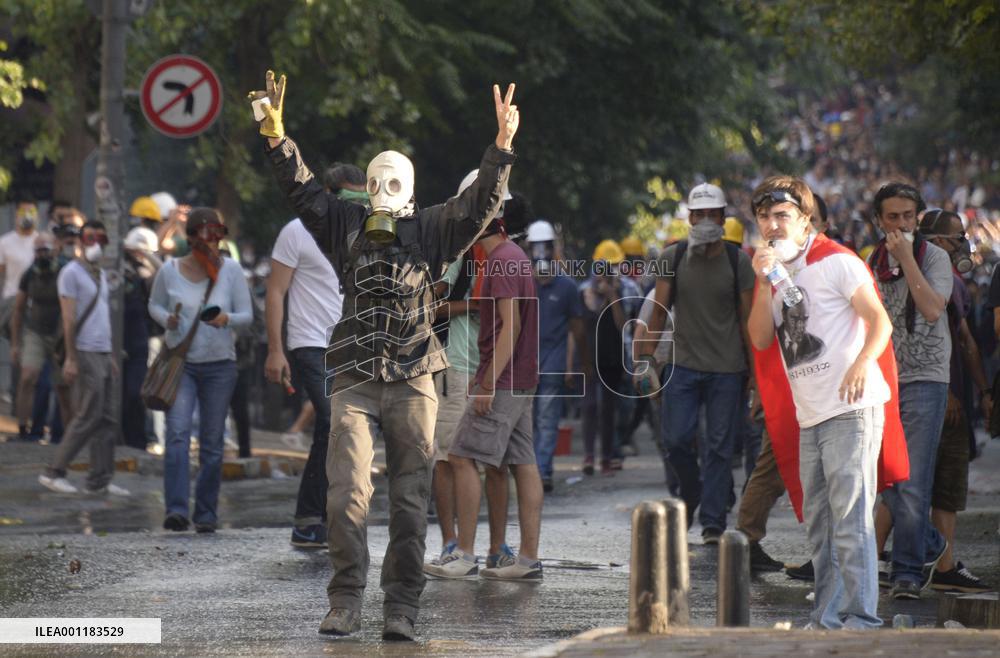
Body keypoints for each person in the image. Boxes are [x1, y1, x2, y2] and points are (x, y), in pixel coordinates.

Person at [252, 69, 518, 640]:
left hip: (415, 374)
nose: (384, 194)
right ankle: (344, 600)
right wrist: (276, 139)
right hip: (353, 372)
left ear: (412, 191)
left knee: (408, 498)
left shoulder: (432, 228)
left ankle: (401, 609)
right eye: (377, 182)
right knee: (347, 490)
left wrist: (501, 149)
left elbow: (478, 205)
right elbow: (300, 190)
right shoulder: (343, 220)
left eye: (394, 184)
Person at [748, 176, 905, 629]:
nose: (773, 225)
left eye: (782, 216)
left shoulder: (838, 262)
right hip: (810, 413)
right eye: (765, 217)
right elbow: (760, 338)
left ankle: (861, 616)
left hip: (852, 408)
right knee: (820, 524)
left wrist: (861, 364)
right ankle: (827, 617)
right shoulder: (775, 273)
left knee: (852, 518)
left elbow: (880, 322)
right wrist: (762, 285)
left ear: (805, 220)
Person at [426, 188, 542, 581]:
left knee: (459, 457)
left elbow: (511, 327)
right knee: (522, 463)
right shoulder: (513, 257)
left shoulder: (502, 262)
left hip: (503, 380)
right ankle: (527, 560)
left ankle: (465, 555)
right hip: (520, 377)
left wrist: (487, 383)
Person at [635, 183, 755, 543]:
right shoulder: (672, 257)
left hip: (727, 369)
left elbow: (748, 321)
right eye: (698, 214)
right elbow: (657, 314)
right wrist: (644, 362)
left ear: (722, 218)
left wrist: (756, 376)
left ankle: (713, 522)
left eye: (711, 214)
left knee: (720, 447)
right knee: (675, 440)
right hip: (683, 365)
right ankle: (694, 493)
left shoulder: (738, 262)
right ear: (690, 218)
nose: (704, 220)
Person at [867, 183, 953, 600]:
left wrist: (907, 259)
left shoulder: (934, 257)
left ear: (918, 217)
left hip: (926, 377)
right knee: (887, 480)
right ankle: (933, 544)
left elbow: (933, 308)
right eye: (892, 217)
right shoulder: (871, 261)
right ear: (879, 221)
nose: (901, 224)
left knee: (913, 480)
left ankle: (905, 574)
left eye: (908, 216)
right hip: (883, 380)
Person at [264, 165, 355, 548]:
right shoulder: (296, 232)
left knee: (335, 430)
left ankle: (313, 518)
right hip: (310, 344)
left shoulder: (359, 231)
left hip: (352, 343)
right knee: (334, 420)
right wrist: (275, 350)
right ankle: (323, 515)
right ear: (329, 194)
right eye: (352, 197)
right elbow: (275, 292)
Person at [148, 208, 252, 533]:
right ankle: (176, 509)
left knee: (212, 440)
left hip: (220, 366)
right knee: (177, 435)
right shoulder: (170, 270)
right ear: (190, 237)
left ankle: (206, 512)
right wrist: (168, 319)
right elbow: (155, 304)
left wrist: (226, 319)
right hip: (183, 365)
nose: (212, 243)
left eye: (217, 235)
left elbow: (246, 316)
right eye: (206, 235)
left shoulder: (231, 270)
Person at [423, 169, 495, 569]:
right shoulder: (456, 251)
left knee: (471, 462)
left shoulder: (499, 252)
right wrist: (474, 306)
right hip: (453, 366)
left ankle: (474, 546)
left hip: (484, 368)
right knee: (449, 459)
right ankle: (453, 543)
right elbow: (430, 306)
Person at [38, 221, 131, 497]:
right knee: (88, 415)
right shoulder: (70, 273)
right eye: (90, 238)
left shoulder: (100, 274)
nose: (96, 245)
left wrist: (110, 354)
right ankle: (53, 471)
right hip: (84, 350)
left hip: (102, 352)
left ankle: (99, 480)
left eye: (100, 239)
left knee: (107, 418)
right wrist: (71, 358)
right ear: (80, 241)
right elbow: (69, 318)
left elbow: (102, 316)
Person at [526, 219, 589, 492]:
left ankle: (542, 472)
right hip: (524, 366)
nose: (541, 253)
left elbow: (577, 329)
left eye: (545, 247)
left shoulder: (566, 287)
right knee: (528, 421)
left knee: (546, 420)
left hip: (551, 364)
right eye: (536, 248)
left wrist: (576, 365)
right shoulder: (521, 284)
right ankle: (531, 472)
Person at [10, 233, 70, 441]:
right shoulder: (29, 274)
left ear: (54, 249)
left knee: (62, 386)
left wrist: (66, 341)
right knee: (27, 377)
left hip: (59, 333)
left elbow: (70, 308)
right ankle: (22, 429)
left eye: (45, 250)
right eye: (38, 251)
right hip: (35, 331)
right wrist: (16, 344)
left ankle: (67, 434)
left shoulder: (64, 271)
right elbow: (18, 309)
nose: (41, 254)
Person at [121, 227, 161, 450]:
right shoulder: (118, 267)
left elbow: (164, 275)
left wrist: (147, 256)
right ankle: (127, 438)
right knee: (119, 395)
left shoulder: (149, 275)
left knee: (136, 392)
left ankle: (140, 440)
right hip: (117, 339)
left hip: (140, 339)